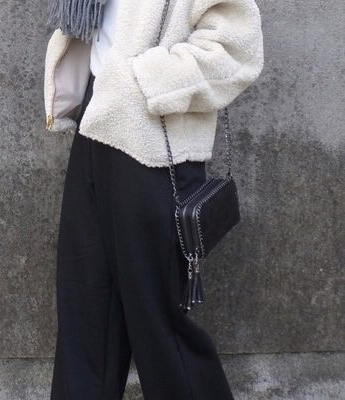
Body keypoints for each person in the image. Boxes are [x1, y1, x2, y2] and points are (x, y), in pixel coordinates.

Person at [43, 0, 264, 399]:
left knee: (157, 323)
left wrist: (141, 80)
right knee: (85, 312)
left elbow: (236, 50)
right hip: (96, 123)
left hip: (152, 143)